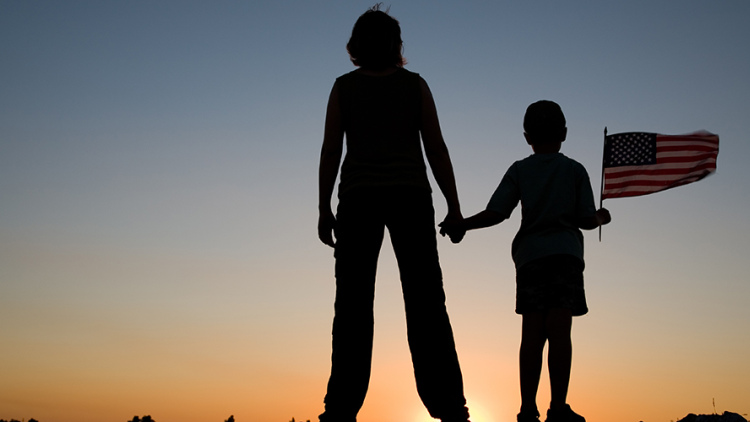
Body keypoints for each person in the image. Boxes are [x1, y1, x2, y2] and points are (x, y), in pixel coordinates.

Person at [316, 5, 471, 422]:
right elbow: (435, 147)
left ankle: (340, 408)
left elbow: (332, 150)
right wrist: (453, 206)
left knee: (352, 305)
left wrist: (323, 206)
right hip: (410, 197)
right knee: (425, 303)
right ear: (396, 45)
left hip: (358, 200)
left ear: (356, 45)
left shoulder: (343, 88)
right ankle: (450, 406)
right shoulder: (414, 86)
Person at [440, 101, 611, 422]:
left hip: (530, 260)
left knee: (531, 334)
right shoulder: (575, 170)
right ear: (564, 134)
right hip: (565, 257)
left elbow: (497, 213)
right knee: (560, 333)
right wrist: (602, 216)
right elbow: (586, 219)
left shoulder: (519, 170)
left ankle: (527, 409)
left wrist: (463, 224)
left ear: (526, 136)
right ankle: (558, 408)